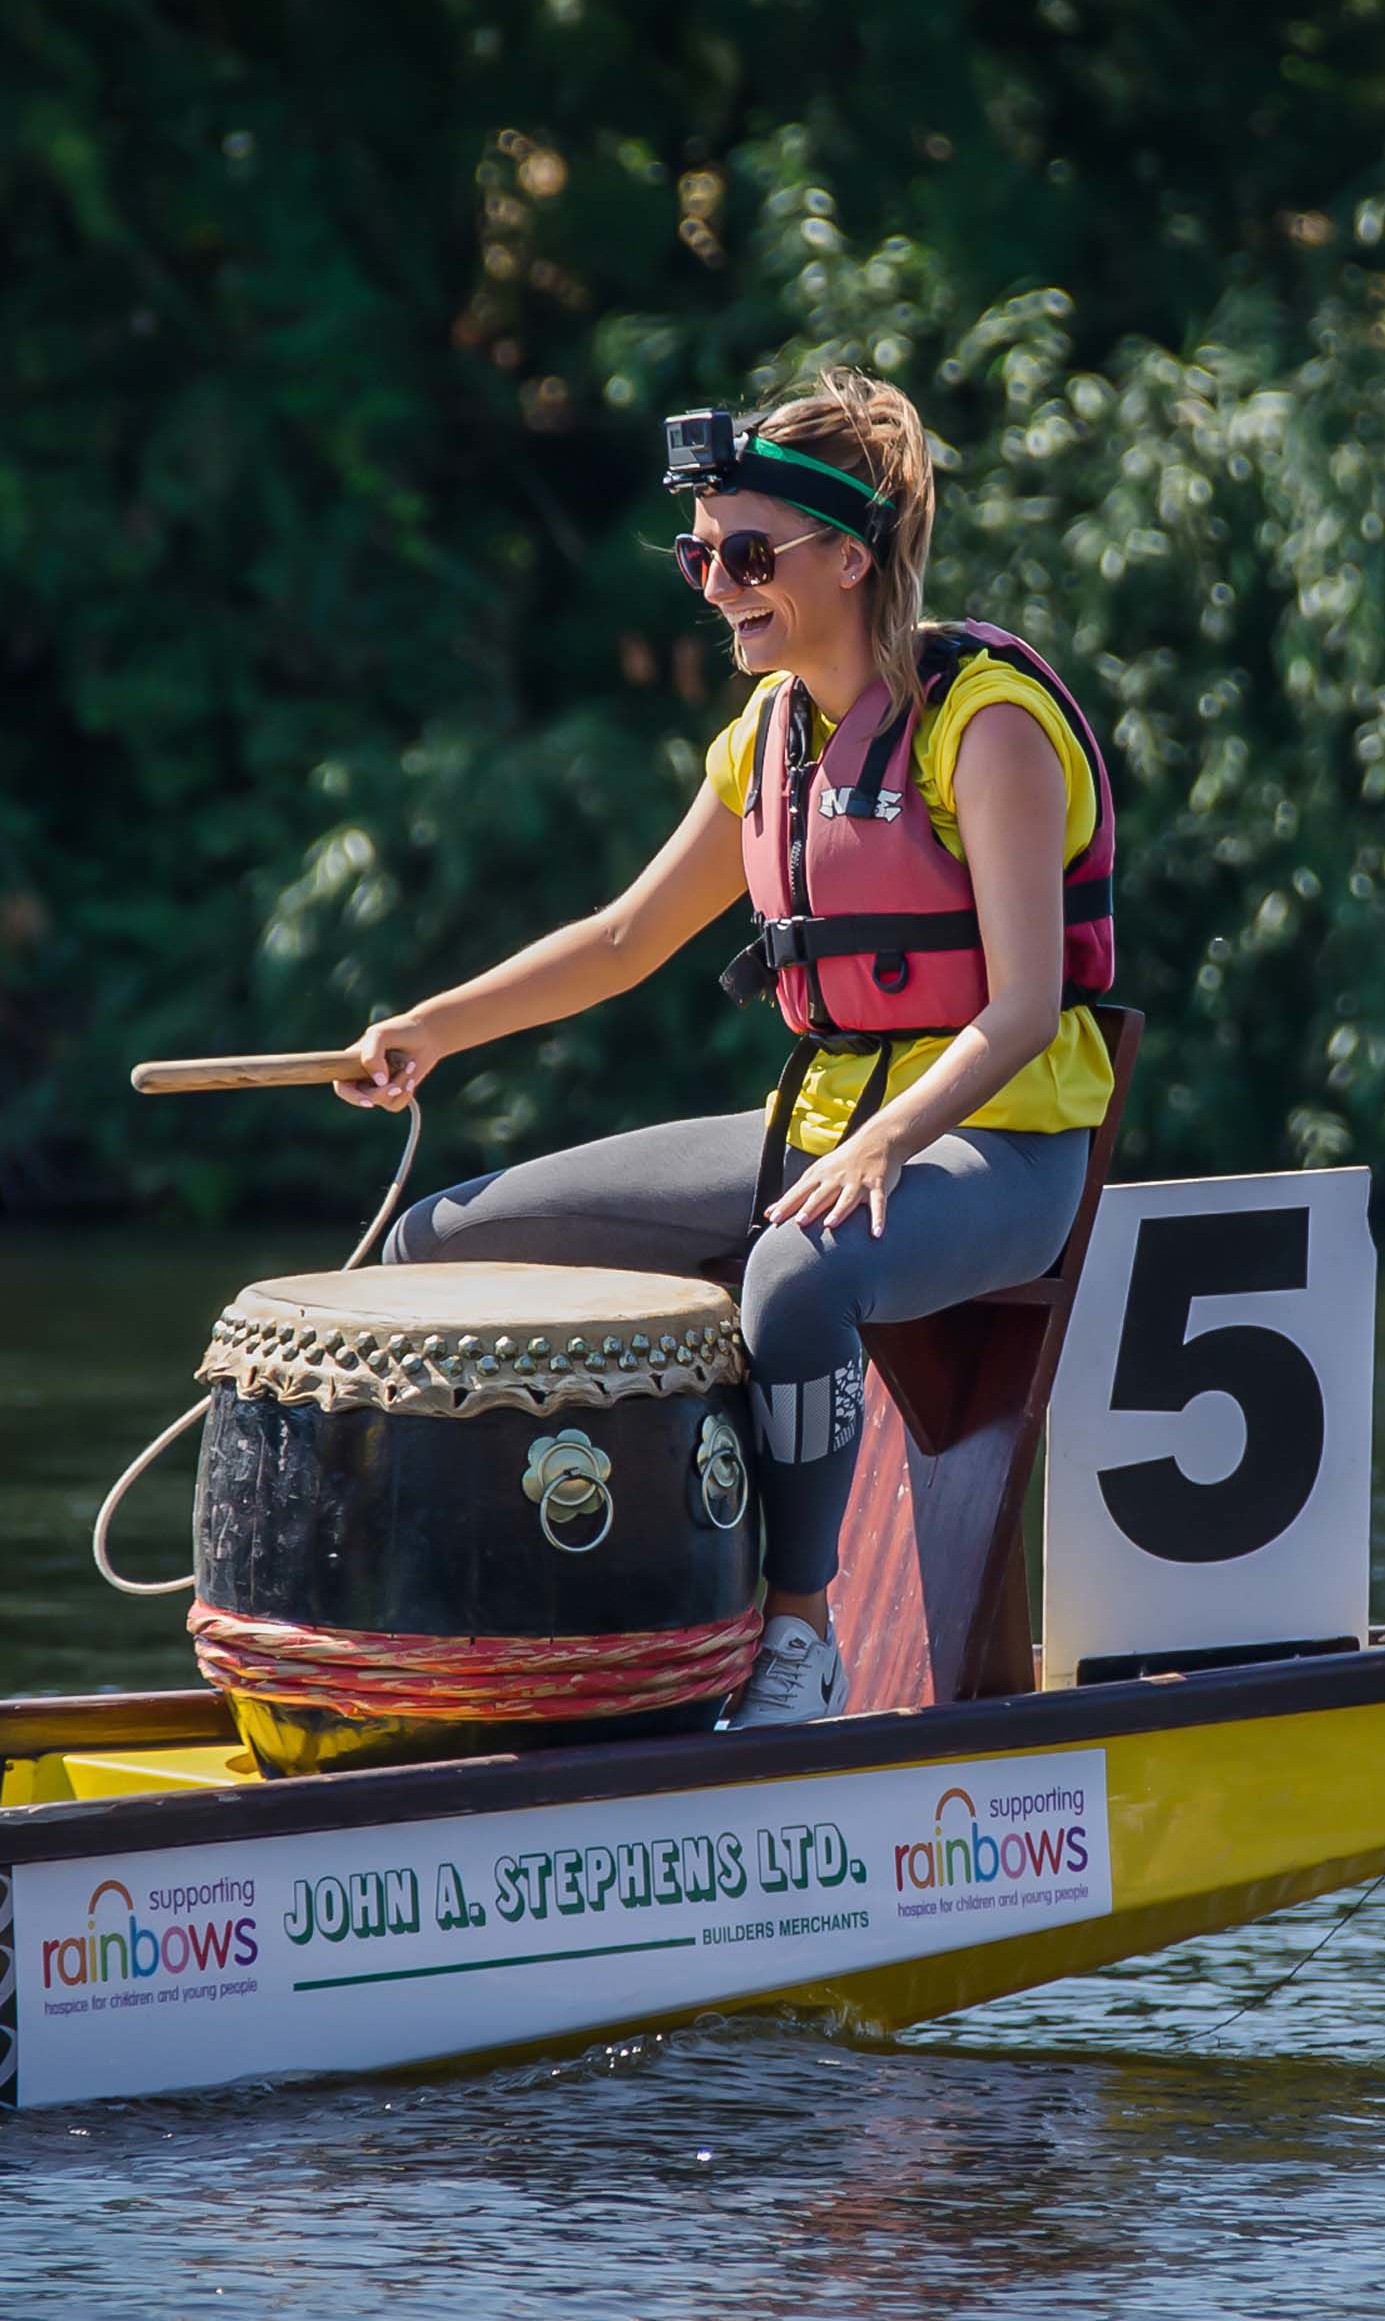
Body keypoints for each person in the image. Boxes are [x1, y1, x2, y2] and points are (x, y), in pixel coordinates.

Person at [338, 371, 1119, 1725]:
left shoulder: (986, 728)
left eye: (748, 556)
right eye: (701, 555)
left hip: (1005, 1148)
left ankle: (797, 1645)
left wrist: (886, 1141)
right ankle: (483, 1628)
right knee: (443, 1244)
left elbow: (1026, 1012)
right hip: (817, 1131)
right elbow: (625, 938)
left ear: (852, 559)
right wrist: (431, 1031)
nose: (715, 585)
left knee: (796, 1274)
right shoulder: (767, 741)